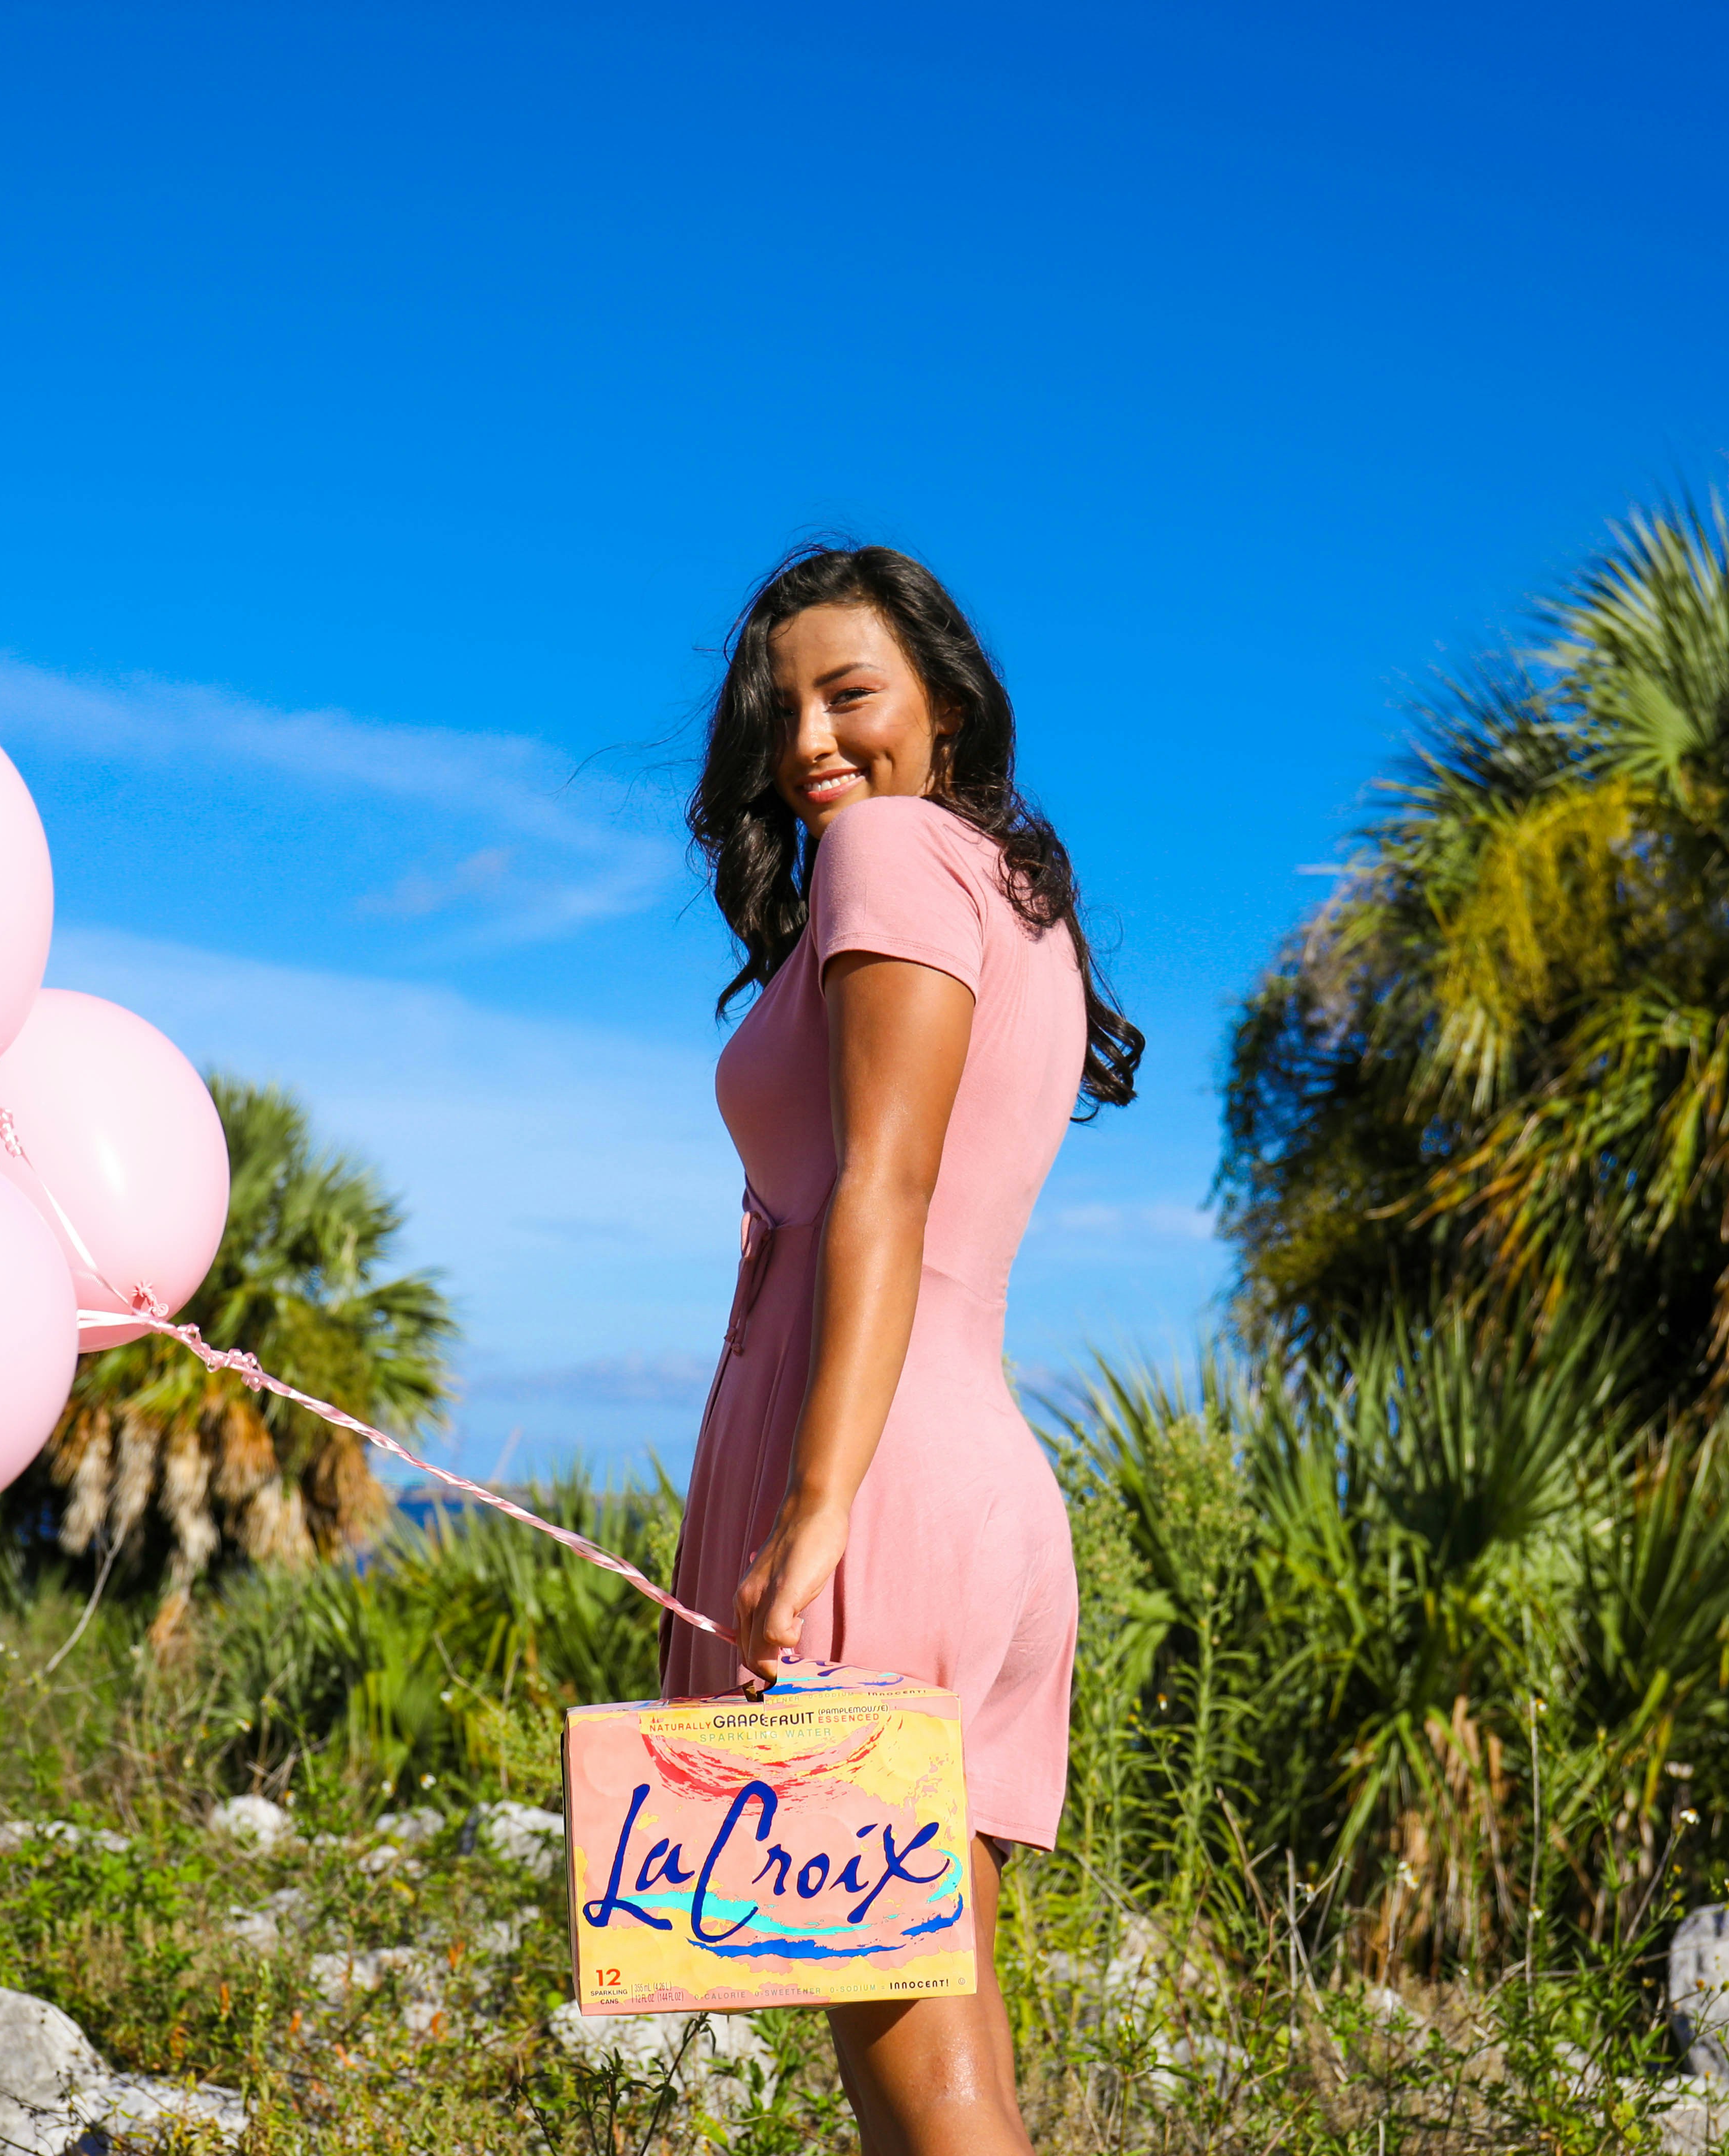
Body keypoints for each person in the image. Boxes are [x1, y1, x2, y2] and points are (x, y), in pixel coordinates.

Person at [668, 544, 1140, 2156]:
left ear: (943, 703)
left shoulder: (883, 854)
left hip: (876, 1502)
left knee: (928, 2101)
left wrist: (813, 1508)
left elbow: (885, 1181)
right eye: (776, 708)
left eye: (847, 692)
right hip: (962, 1482)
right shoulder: (1011, 899)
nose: (809, 739)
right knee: (946, 2078)